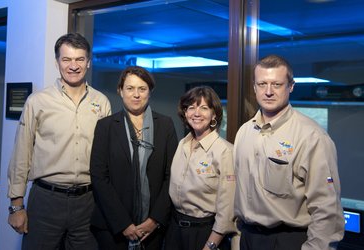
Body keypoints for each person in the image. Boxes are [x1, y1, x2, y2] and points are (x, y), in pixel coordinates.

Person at [7, 33, 112, 249]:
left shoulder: (101, 102)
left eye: (79, 59)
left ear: (88, 62)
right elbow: (21, 152)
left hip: (89, 201)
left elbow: (107, 157)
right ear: (57, 63)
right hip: (46, 199)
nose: (73, 66)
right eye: (66, 59)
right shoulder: (38, 101)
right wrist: (16, 206)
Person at [233, 54, 345, 250]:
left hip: (287, 241)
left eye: (276, 84)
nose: (268, 91)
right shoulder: (244, 132)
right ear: (254, 87)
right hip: (248, 239)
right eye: (262, 84)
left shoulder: (312, 136)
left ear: (290, 86)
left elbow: (327, 210)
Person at [89, 65, 178, 249]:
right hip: (112, 227)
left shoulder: (165, 125)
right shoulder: (106, 127)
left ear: (150, 92)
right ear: (120, 91)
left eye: (142, 89)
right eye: (130, 88)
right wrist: (123, 223)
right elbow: (99, 177)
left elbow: (172, 176)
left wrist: (155, 219)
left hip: (153, 228)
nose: (136, 94)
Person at [165, 86, 238, 250]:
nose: (196, 113)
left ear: (214, 114)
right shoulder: (182, 144)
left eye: (204, 108)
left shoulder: (225, 152)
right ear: (185, 113)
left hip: (205, 233)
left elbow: (227, 210)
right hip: (174, 230)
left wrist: (210, 245)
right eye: (191, 107)